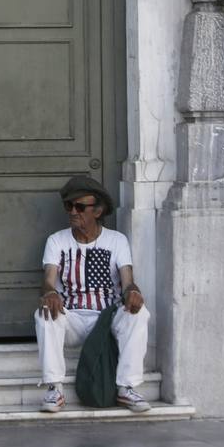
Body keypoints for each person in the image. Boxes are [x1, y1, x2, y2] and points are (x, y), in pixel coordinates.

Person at [34, 175, 151, 416]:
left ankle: (126, 386)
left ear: (97, 211)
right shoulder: (57, 241)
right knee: (45, 312)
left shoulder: (116, 240)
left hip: (106, 321)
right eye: (69, 206)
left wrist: (134, 293)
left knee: (139, 313)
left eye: (79, 207)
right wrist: (51, 293)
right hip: (73, 319)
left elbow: (128, 281)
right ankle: (54, 388)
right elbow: (48, 280)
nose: (72, 212)